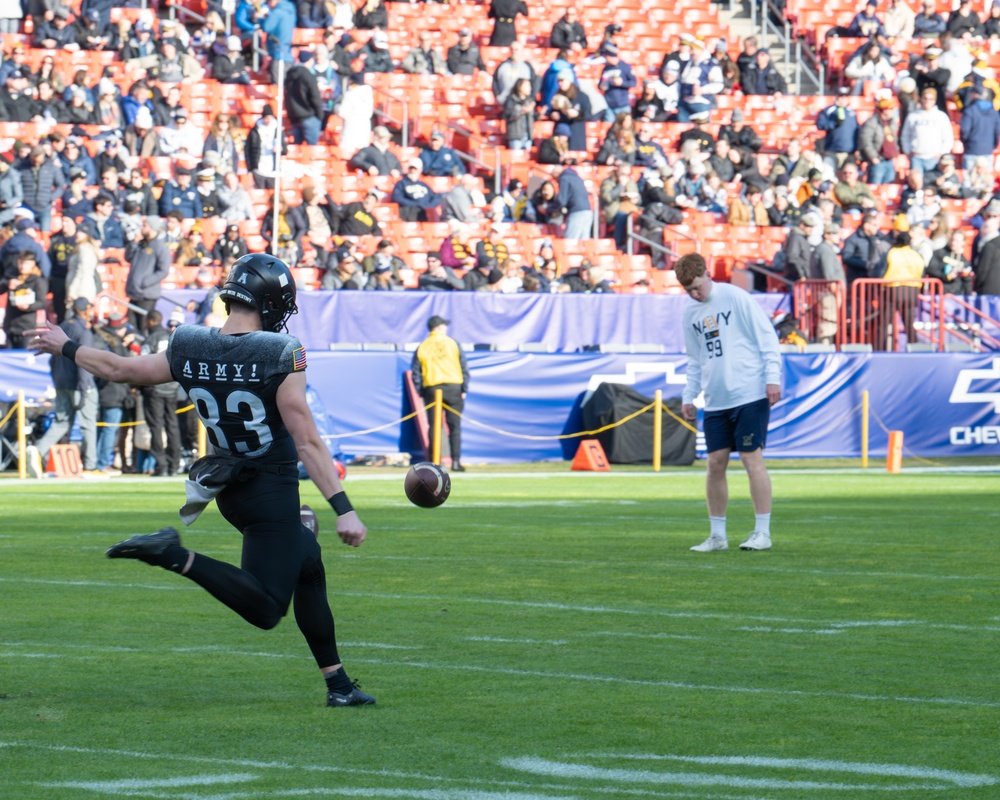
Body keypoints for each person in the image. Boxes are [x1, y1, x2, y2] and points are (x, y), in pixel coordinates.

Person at [27, 253, 374, 707]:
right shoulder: (282, 352)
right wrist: (344, 509)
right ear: (271, 304)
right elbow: (306, 439)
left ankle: (339, 685)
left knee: (307, 564)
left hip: (229, 485)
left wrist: (66, 345)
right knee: (267, 608)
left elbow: (121, 370)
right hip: (270, 489)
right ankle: (173, 556)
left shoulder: (190, 342)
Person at [676, 253, 781, 553]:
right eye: (689, 290)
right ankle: (717, 536)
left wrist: (772, 378)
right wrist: (689, 396)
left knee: (751, 459)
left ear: (708, 274)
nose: (695, 294)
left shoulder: (736, 297)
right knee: (714, 464)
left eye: (697, 286)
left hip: (749, 393)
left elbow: (767, 338)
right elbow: (695, 360)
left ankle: (762, 532)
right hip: (715, 399)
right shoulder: (690, 313)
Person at [28, 296, 100, 476]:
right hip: (79, 384)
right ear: (85, 310)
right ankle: (91, 466)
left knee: (62, 422)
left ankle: (38, 451)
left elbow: (52, 359)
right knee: (88, 424)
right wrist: (84, 388)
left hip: (61, 383)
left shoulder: (63, 326)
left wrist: (57, 380)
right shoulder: (83, 330)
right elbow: (85, 361)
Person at [412, 315, 469, 471]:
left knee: (435, 427)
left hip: (432, 388)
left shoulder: (423, 346)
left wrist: (421, 391)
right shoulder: (452, 343)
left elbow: (416, 372)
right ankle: (456, 462)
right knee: (455, 426)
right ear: (438, 327)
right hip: (453, 387)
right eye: (444, 325)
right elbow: (463, 366)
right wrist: (464, 388)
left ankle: (434, 462)